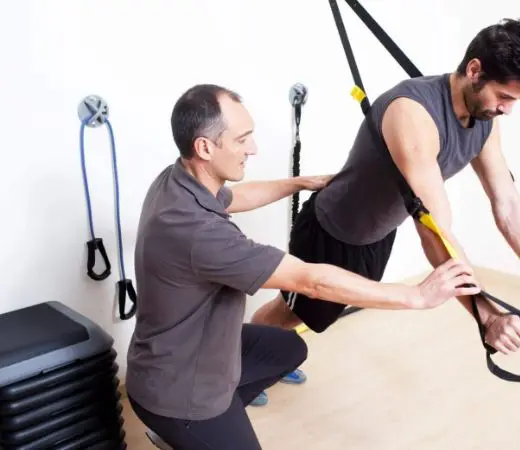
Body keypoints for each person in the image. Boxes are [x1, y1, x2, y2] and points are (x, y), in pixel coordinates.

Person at [124, 83, 478, 449]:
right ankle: (185, 433)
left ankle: (209, 428)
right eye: (242, 139)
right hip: (180, 393)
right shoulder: (201, 234)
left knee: (288, 349)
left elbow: (234, 197)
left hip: (185, 352)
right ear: (205, 147)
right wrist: (415, 295)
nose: (253, 148)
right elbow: (310, 280)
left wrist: (297, 183)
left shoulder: (178, 180)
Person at [251, 17, 520, 386]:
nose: (507, 109)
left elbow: (506, 202)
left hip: (375, 238)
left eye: (515, 101)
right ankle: (241, 365)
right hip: (330, 232)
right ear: (475, 70)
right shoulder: (413, 115)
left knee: (313, 318)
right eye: (504, 97)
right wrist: (487, 316)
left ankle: (270, 353)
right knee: (290, 314)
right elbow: (435, 229)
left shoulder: (484, 118)